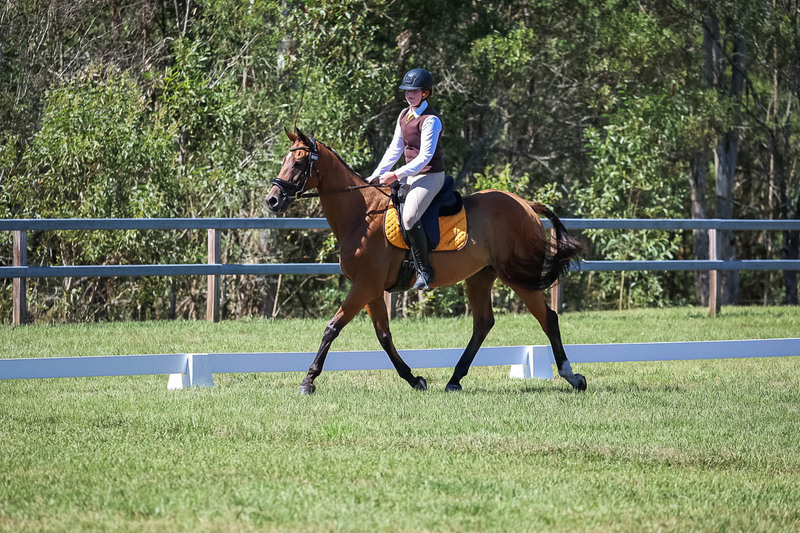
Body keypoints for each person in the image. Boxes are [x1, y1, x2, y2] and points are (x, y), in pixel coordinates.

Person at [369, 68, 446, 290]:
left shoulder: (431, 120)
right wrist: (376, 173)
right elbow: (395, 148)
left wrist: (396, 174)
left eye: (414, 91)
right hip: (409, 175)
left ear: (426, 93)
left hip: (430, 175)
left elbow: (424, 158)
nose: (409, 95)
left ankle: (425, 270)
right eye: (407, 91)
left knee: (410, 216)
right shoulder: (403, 115)